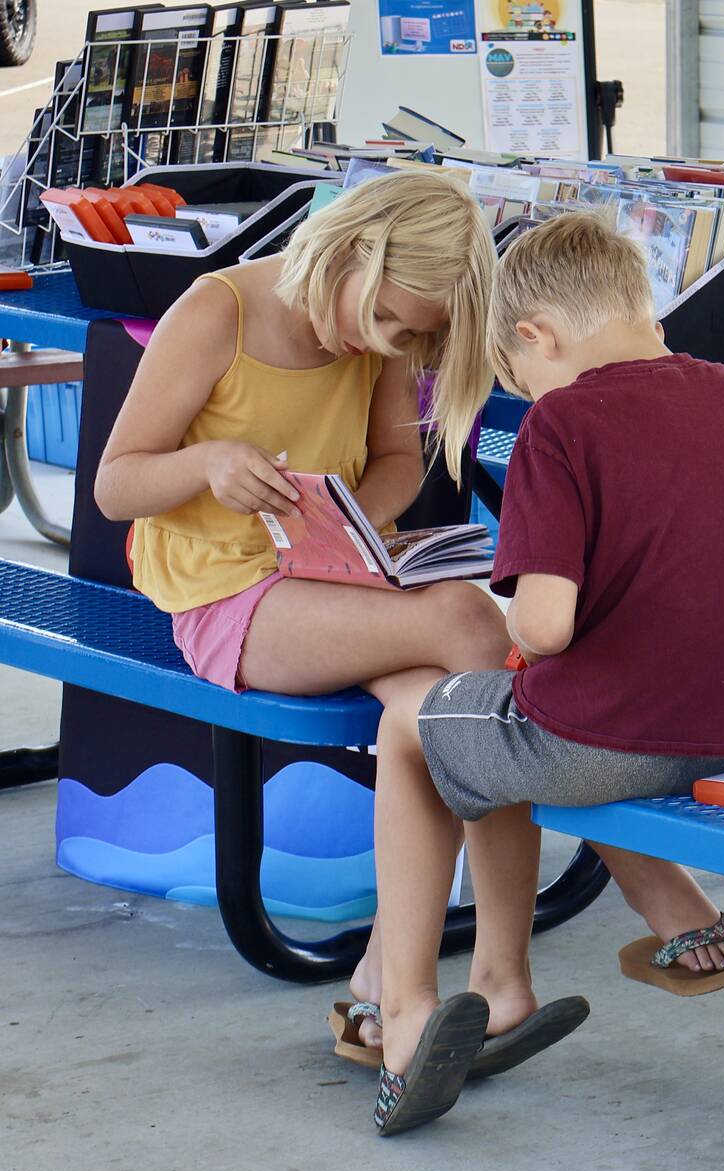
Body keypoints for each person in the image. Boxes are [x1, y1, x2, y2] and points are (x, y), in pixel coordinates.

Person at [93, 172, 586, 1117]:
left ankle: (392, 986)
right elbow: (117, 483)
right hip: (223, 593)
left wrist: (357, 521)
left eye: (411, 339)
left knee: (432, 711)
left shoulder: (379, 329)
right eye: (391, 323)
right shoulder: (219, 310)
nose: (389, 345)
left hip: (330, 580)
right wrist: (211, 465)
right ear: (353, 251)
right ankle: (475, 973)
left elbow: (398, 460)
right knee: (471, 629)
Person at [360, 211, 724, 1134]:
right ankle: (533, 969)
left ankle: (408, 1009)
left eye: (516, 373)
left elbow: (544, 624)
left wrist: (522, 639)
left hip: (601, 745)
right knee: (483, 728)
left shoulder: (563, 424)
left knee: (414, 727)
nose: (526, 390)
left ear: (538, 336)